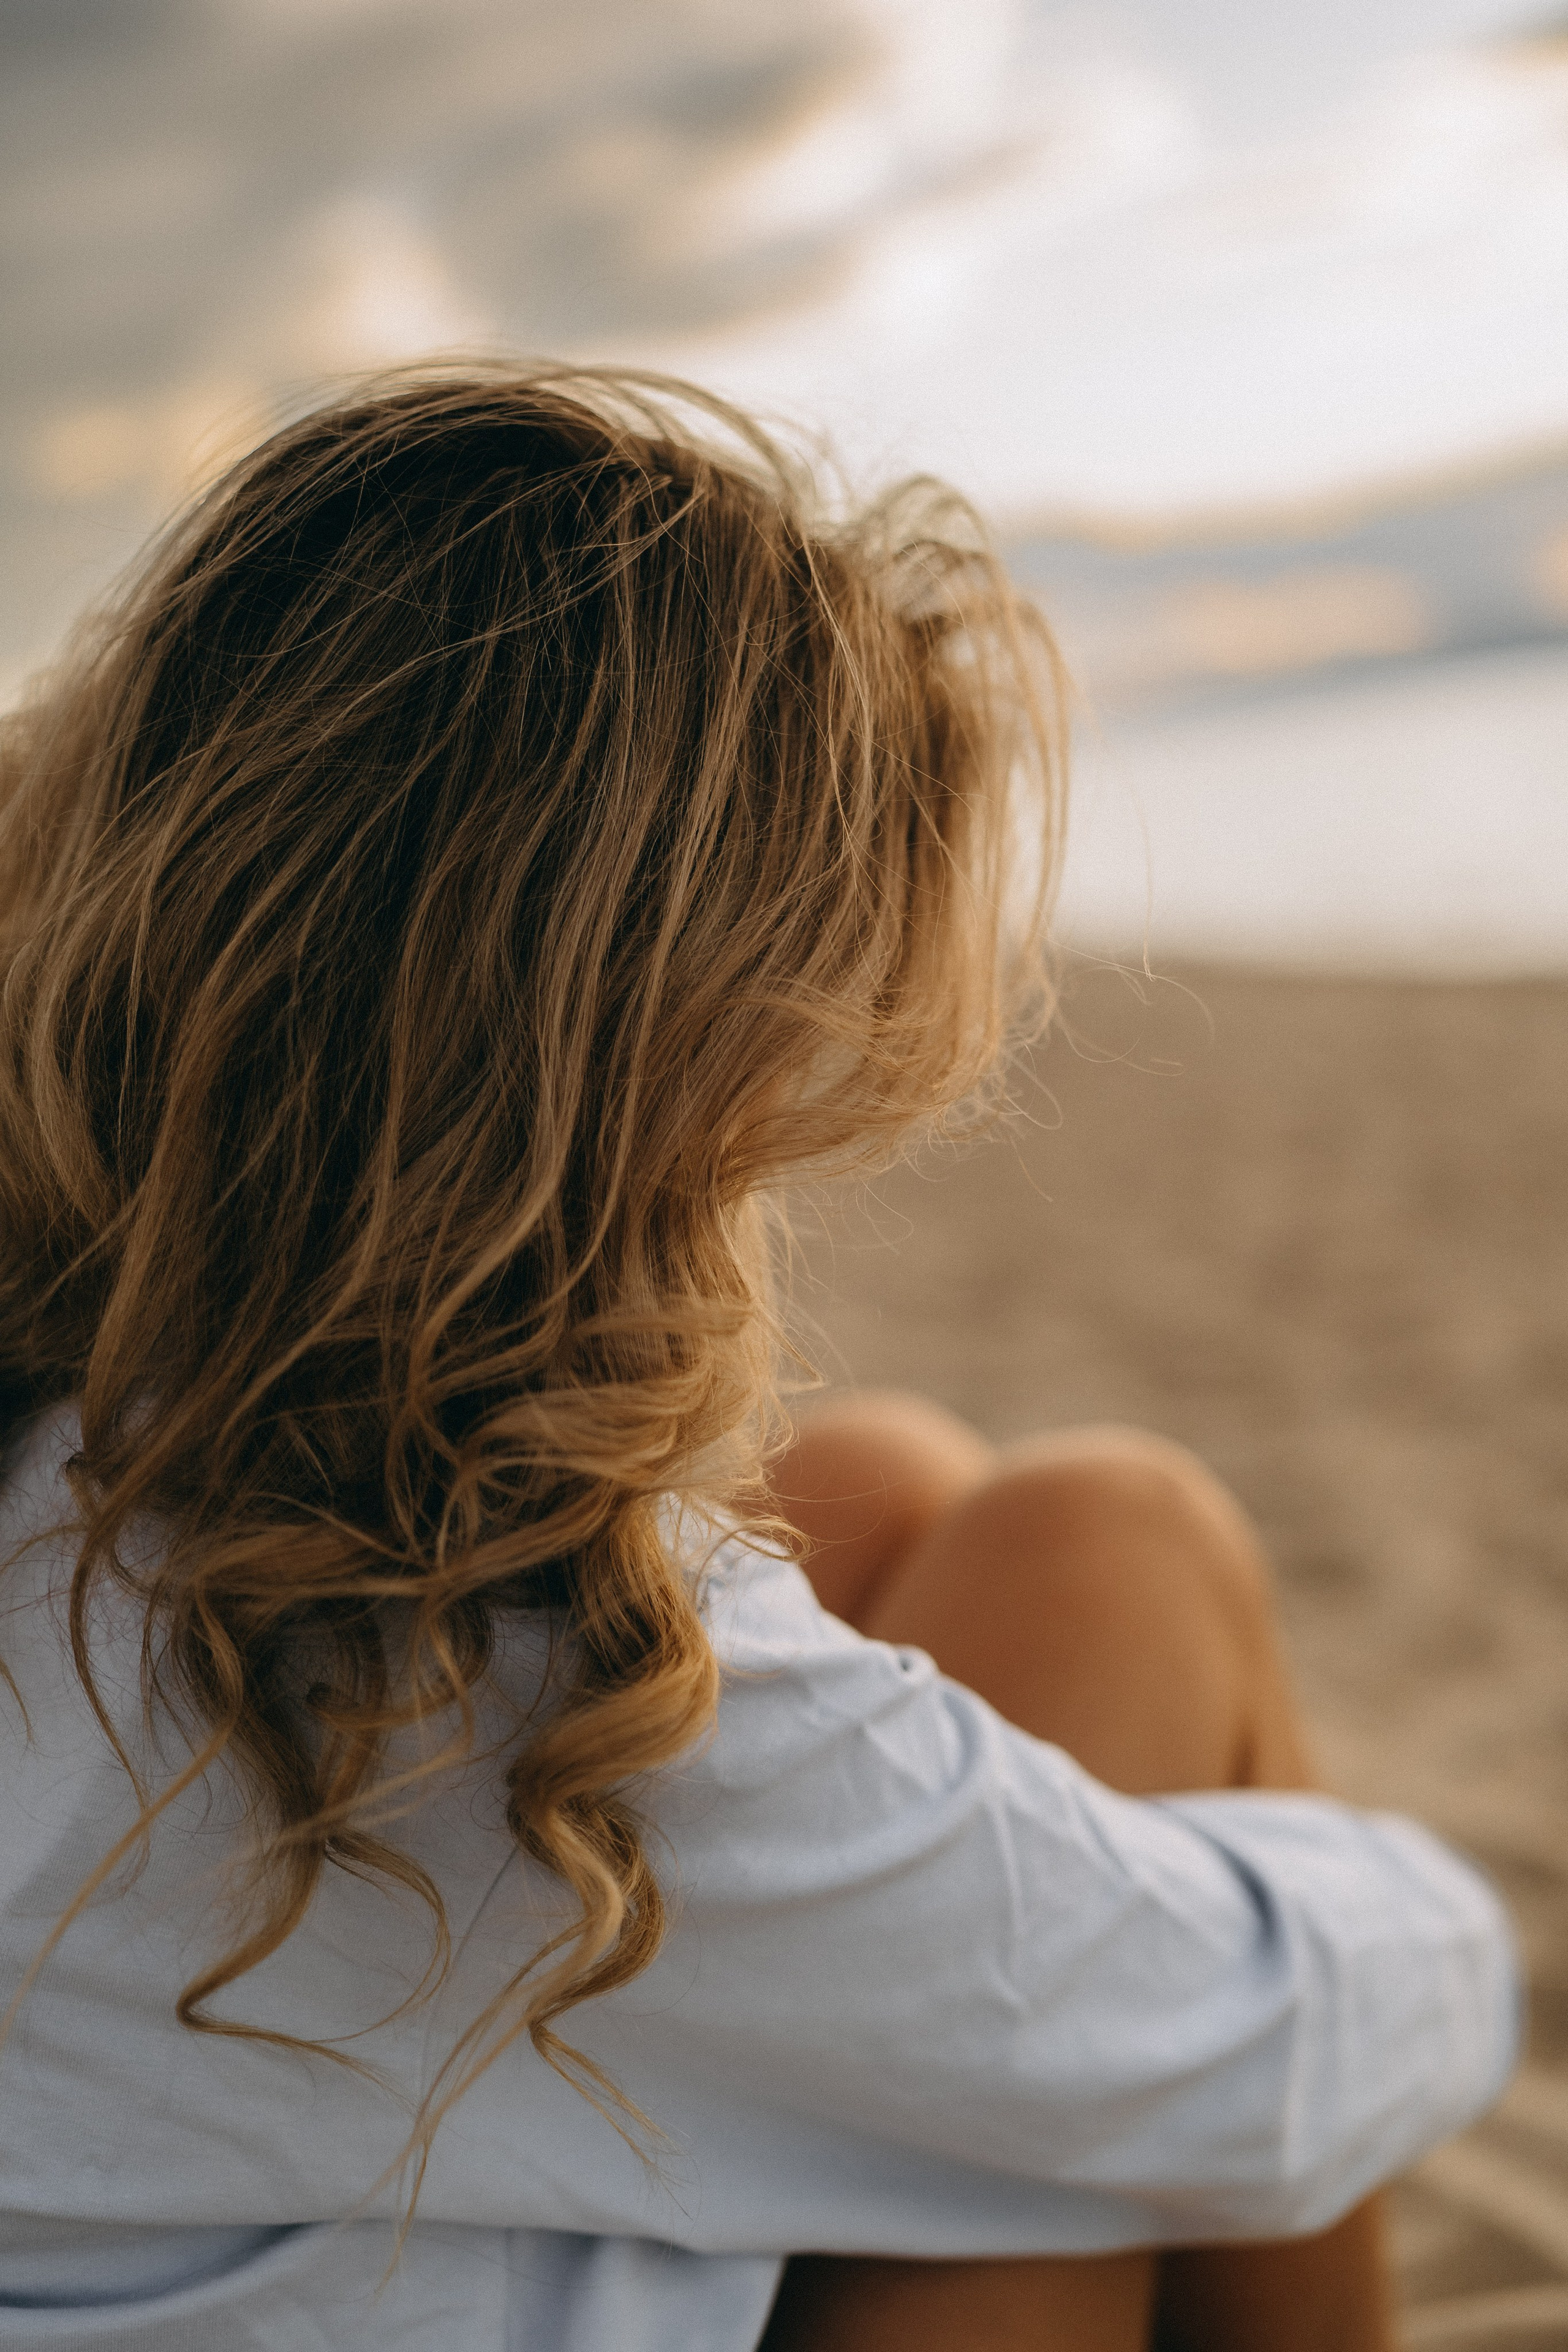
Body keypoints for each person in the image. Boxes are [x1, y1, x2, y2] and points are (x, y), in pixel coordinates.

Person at [0, 366, 1515, 2352]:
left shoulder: (83, 1451)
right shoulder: (471, 1648)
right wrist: (1420, 1906)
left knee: (882, 1480)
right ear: (671, 1056)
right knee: (1117, 1545)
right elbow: (1282, 2050)